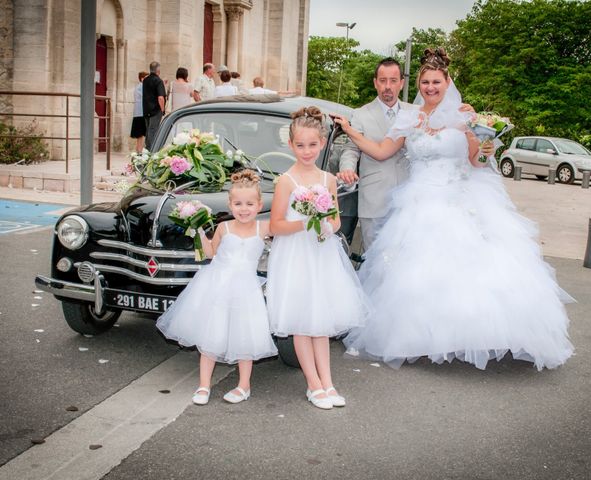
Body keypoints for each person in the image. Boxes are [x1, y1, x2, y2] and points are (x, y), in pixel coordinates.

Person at [333, 48, 574, 371]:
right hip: (417, 201)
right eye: (425, 83)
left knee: (466, 267)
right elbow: (380, 150)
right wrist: (350, 130)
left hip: (456, 198)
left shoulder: (465, 116)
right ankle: (420, 336)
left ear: (447, 82)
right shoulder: (411, 118)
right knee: (414, 273)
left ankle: (470, 334)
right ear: (417, 85)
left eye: (436, 82)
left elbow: (478, 161)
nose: (430, 88)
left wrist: (487, 147)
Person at [266, 106, 368, 410]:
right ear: (291, 145)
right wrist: (306, 221)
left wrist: (325, 222)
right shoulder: (286, 181)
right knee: (301, 321)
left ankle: (329, 382)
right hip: (295, 256)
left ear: (322, 143)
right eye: (300, 145)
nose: (306, 151)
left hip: (322, 255)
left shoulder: (328, 180)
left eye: (312, 145)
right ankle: (313, 385)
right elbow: (275, 226)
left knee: (320, 325)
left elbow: (335, 221)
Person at [157, 170, 278, 405]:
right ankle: (203, 385)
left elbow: (286, 231)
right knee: (210, 334)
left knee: (246, 336)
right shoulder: (224, 227)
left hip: (246, 289)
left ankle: (244, 385)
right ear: (230, 204)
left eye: (250, 204)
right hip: (218, 284)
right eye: (238, 204)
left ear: (259, 205)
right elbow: (210, 253)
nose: (244, 209)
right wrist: (198, 229)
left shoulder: (263, 228)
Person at [336, 58, 412, 249]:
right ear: (375, 82)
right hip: (374, 200)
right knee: (374, 260)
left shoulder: (415, 112)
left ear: (401, 83)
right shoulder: (360, 114)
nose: (388, 86)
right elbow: (351, 149)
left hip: (410, 200)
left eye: (393, 80)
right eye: (383, 80)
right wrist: (347, 170)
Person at [142, 61, 166, 149]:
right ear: (158, 70)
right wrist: (162, 110)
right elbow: (160, 97)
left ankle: (147, 150)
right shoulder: (158, 81)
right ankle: (152, 151)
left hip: (146, 109)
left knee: (148, 130)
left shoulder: (145, 80)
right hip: (156, 110)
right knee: (153, 130)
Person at [130, 71, 147, 153]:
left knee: (139, 136)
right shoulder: (142, 86)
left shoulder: (138, 87)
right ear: (142, 78)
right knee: (140, 136)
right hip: (141, 113)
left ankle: (139, 151)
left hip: (137, 113)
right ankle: (139, 152)